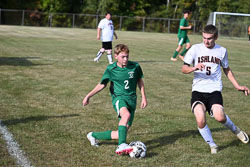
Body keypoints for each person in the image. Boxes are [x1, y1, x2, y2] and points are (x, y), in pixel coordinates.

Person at [182, 24, 249, 154]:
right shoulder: (195, 49)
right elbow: (184, 68)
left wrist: (238, 86)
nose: (206, 41)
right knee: (200, 119)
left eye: (210, 38)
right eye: (204, 38)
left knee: (219, 117)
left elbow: (227, 69)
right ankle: (212, 145)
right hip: (198, 91)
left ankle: (236, 130)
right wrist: (194, 68)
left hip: (214, 90)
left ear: (216, 37)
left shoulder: (222, 51)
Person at [83, 44, 148, 155]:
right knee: (125, 115)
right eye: (123, 57)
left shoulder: (135, 66)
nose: (126, 59)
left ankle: (93, 135)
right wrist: (88, 96)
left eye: (127, 56)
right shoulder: (111, 69)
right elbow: (102, 84)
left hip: (132, 100)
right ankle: (121, 145)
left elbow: (139, 81)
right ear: (116, 56)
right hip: (119, 98)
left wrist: (144, 97)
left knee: (120, 133)